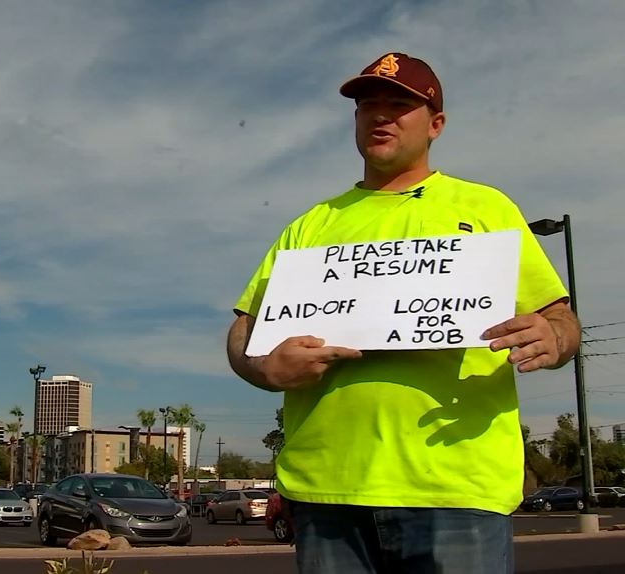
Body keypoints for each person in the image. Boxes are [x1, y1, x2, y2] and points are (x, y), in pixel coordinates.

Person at [226, 52, 581, 574]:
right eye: (368, 105)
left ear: (435, 124)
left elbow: (562, 320)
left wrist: (551, 338)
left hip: (455, 489)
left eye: (399, 105)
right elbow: (244, 331)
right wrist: (262, 367)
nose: (380, 116)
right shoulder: (309, 227)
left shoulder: (486, 209)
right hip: (328, 492)